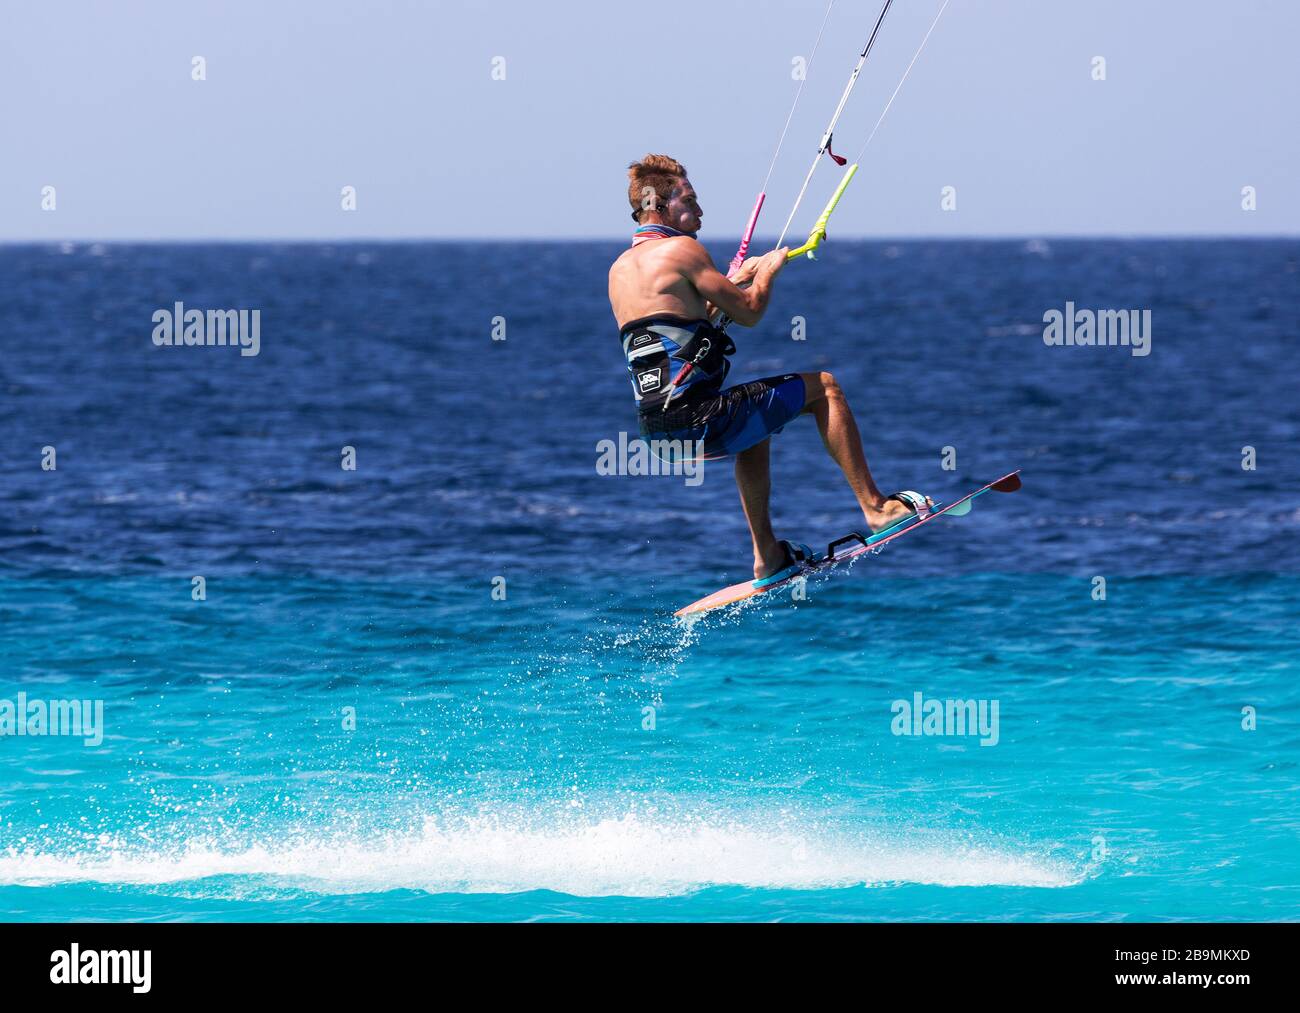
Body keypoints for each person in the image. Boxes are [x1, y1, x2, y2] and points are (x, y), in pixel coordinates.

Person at [608, 154, 931, 586]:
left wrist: (738, 277)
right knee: (826, 388)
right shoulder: (683, 250)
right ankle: (876, 508)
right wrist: (769, 273)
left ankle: (768, 556)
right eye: (690, 200)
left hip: (657, 432)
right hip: (698, 419)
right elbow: (750, 313)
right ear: (659, 207)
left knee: (755, 428)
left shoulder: (620, 270)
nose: (700, 211)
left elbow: (682, 325)